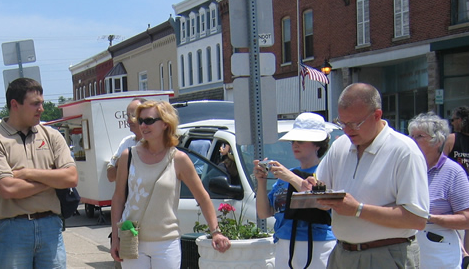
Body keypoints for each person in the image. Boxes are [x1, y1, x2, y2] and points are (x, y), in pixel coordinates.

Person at [301, 83, 429, 268]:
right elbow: (321, 198)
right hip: (342, 254)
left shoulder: (404, 151)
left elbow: (417, 219)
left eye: (355, 124)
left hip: (386, 255)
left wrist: (358, 209)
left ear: (377, 115)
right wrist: (313, 190)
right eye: (342, 123)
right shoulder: (341, 146)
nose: (347, 130)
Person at [110, 100, 230, 268]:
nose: (143, 125)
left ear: (165, 124)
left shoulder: (178, 159)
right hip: (132, 239)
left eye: (149, 120)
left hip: (166, 243)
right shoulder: (128, 156)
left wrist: (215, 232)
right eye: (141, 120)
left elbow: (202, 197)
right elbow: (118, 199)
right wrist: (115, 239)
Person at [0, 77, 78, 268]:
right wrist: (53, 178)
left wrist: (28, 173)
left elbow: (71, 178)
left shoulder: (52, 135)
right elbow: (8, 188)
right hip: (12, 230)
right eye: (35, 104)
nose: (41, 108)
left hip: (50, 226)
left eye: (41, 103)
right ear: (15, 105)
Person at [254, 112, 335, 268]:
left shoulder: (326, 171)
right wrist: (261, 181)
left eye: (301, 140)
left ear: (318, 144)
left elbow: (325, 203)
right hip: (285, 243)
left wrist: (291, 178)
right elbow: (264, 212)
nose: (295, 145)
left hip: (318, 243)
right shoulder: (286, 175)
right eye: (293, 141)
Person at [408, 112, 469, 268]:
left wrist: (429, 218)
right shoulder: (406, 167)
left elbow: (467, 220)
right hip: (408, 248)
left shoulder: (453, 172)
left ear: (437, 141)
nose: (412, 140)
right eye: (411, 135)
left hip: (439, 252)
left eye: (419, 136)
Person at [443, 105, 469, 262]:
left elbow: (440, 162)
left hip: (455, 186)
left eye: (453, 119)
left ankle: (460, 252)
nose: (452, 123)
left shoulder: (452, 139)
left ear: (460, 120)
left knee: (450, 221)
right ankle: (466, 254)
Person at [107, 97, 146, 182]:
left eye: (133, 116)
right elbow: (111, 176)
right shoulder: (126, 142)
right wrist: (122, 161)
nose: (128, 121)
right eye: (128, 116)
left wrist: (120, 165)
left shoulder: (154, 144)